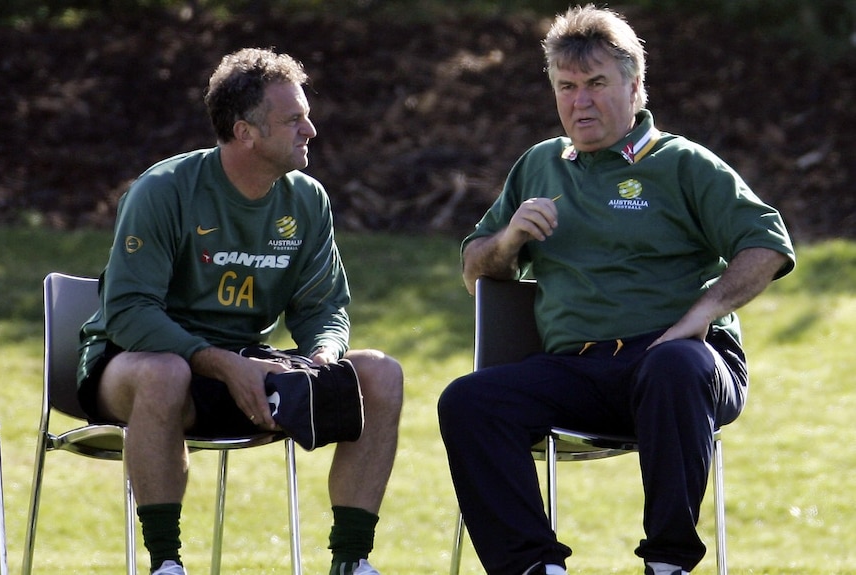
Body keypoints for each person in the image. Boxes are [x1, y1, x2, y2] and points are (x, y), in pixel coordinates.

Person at [438, 5, 795, 575]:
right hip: (578, 369)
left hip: (681, 363)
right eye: (567, 86)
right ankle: (535, 567)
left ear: (634, 86)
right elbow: (475, 271)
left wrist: (703, 313)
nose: (581, 101)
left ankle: (667, 563)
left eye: (597, 83)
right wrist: (508, 241)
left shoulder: (683, 163)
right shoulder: (539, 165)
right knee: (468, 401)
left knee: (673, 367)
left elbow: (768, 244)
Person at [76, 48, 403, 575]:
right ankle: (166, 563)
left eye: (307, 115)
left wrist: (322, 355)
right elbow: (129, 313)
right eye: (293, 119)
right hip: (137, 362)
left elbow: (324, 306)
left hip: (247, 366)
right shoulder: (163, 190)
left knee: (380, 373)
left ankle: (351, 561)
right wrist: (221, 362)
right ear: (245, 132)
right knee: (166, 372)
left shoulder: (307, 199)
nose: (311, 130)